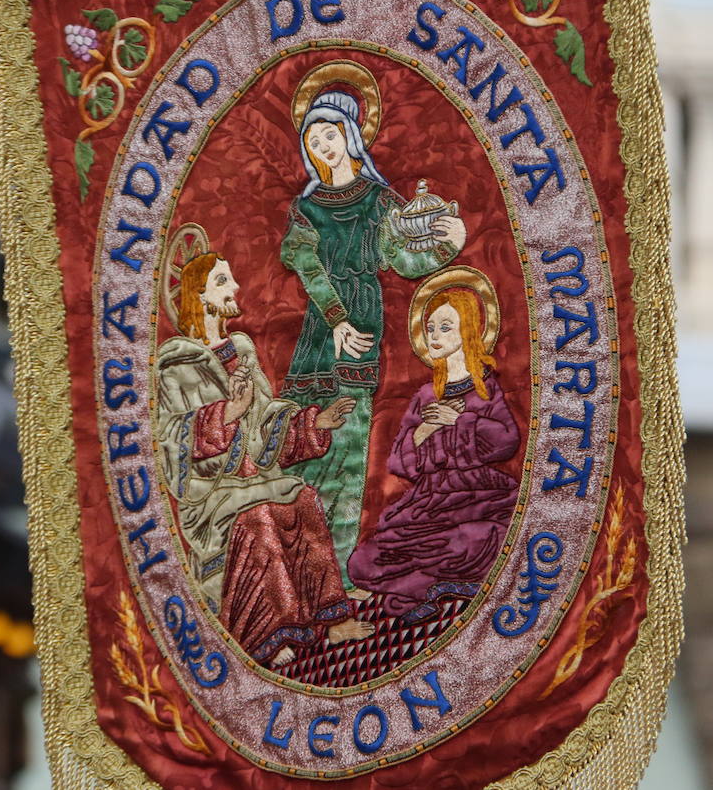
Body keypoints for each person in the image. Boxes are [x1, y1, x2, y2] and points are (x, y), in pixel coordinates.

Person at [280, 63, 466, 593]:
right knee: (309, 444)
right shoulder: (307, 208)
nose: (323, 145)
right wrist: (335, 320)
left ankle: (334, 578)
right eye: (313, 138)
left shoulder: (378, 201)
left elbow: (406, 259)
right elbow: (306, 265)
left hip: (363, 325)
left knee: (351, 450)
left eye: (330, 134)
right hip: (322, 329)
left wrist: (448, 239)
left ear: (351, 137)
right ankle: (300, 580)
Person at [154, 249, 375, 666]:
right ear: (198, 296)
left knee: (304, 499)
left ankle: (331, 620)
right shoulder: (177, 365)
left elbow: (266, 420)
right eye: (223, 282)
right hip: (214, 496)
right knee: (261, 518)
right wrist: (224, 416)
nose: (235, 288)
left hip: (259, 479)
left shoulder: (242, 348)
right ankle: (267, 633)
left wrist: (314, 423)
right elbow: (170, 439)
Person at [348, 275, 521, 622]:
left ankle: (413, 587)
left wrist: (458, 422)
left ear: (468, 330)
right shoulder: (426, 396)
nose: (435, 335)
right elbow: (399, 461)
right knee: (361, 561)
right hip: (428, 502)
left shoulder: (484, 388)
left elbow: (507, 440)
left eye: (446, 327)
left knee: (481, 539)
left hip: (478, 495)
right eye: (430, 327)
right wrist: (426, 427)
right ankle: (427, 582)